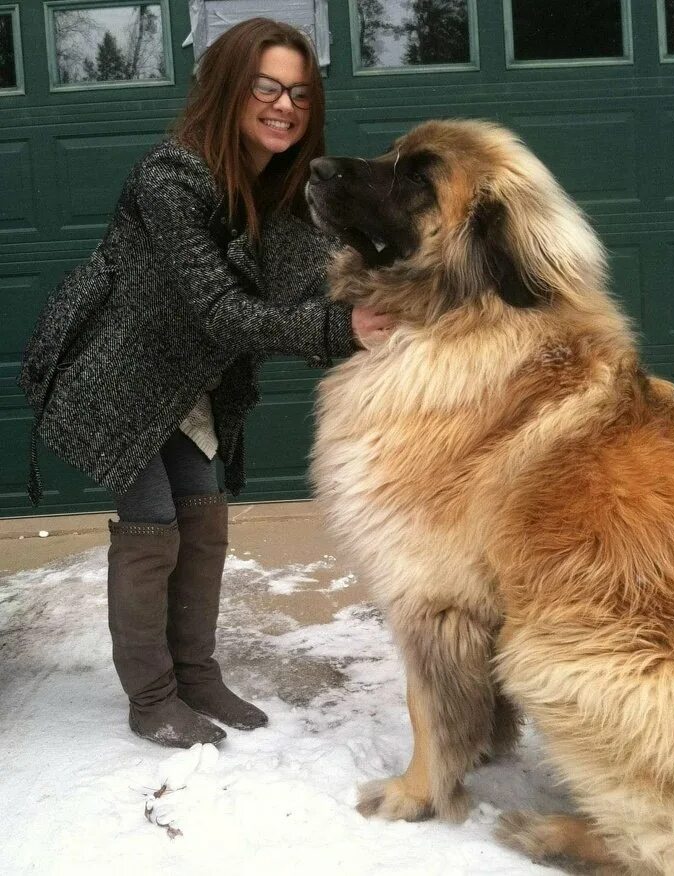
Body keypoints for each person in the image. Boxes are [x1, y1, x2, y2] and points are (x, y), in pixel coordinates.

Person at [18, 18, 393, 748]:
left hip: (191, 384)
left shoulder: (278, 189)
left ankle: (196, 674)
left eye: (300, 93)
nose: (285, 105)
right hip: (121, 378)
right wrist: (340, 330)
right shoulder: (171, 178)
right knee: (153, 527)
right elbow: (222, 311)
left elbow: (328, 268)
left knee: (205, 518)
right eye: (266, 87)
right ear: (229, 88)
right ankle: (152, 697)